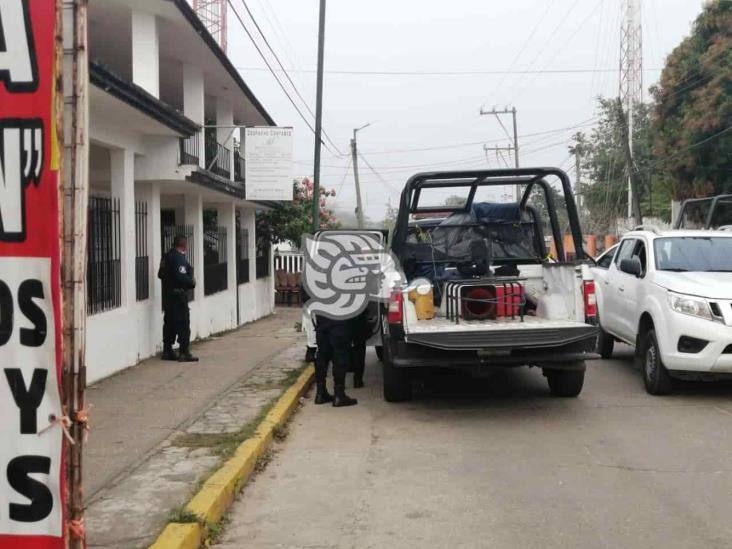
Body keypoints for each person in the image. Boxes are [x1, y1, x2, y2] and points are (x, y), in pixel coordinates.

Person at [158, 235, 198, 362]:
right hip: (179, 296)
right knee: (183, 323)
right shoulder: (179, 258)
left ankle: (167, 350)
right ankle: (184, 352)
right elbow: (181, 277)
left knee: (169, 323)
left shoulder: (166, 256)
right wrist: (191, 281)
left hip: (168, 296)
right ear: (183, 245)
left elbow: (161, 274)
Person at [314, 315, 357, 407]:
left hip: (322, 322)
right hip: (339, 322)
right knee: (341, 356)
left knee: (322, 356)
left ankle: (320, 392)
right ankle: (339, 394)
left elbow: (306, 300)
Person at [350, 309, 370, 388]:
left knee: (341, 351)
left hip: (342, 320)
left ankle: (340, 384)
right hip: (358, 317)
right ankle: (357, 379)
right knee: (360, 350)